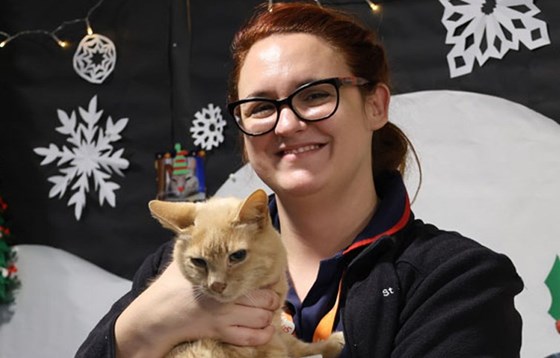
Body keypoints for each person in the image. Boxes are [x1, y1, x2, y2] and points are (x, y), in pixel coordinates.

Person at [76, 2, 523, 357]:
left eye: (315, 96)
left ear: (375, 106)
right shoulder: (175, 267)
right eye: (261, 107)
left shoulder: (456, 280)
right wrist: (142, 329)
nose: (286, 124)